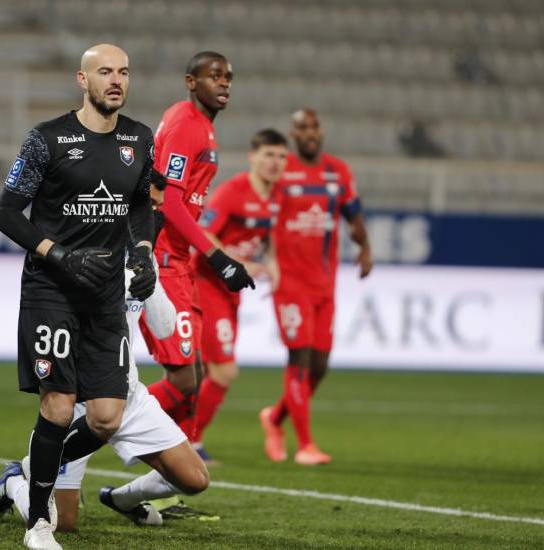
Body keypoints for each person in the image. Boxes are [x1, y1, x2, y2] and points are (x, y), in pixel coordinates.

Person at [0, 43, 157, 550]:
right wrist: (58, 254)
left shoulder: (139, 138)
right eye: (104, 71)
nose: (116, 80)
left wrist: (144, 253)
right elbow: (7, 213)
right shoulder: (47, 140)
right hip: (52, 290)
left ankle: (24, 473)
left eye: (123, 72)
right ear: (81, 80)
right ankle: (38, 523)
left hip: (106, 297)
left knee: (106, 418)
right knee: (60, 407)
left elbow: (138, 208)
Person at [140, 52, 254, 459]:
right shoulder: (189, 125)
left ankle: (149, 486)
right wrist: (218, 257)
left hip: (179, 262)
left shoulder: (198, 125)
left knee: (195, 374)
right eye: (214, 76)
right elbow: (170, 203)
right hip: (165, 262)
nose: (223, 83)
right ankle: (91, 424)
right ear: (192, 81)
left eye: (228, 77)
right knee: (187, 381)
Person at [259, 109, 373, 466]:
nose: (309, 133)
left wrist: (365, 247)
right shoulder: (281, 172)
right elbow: (262, 218)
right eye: (301, 128)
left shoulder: (337, 172)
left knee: (320, 365)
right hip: (290, 283)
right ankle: (305, 445)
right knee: (300, 357)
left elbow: (353, 215)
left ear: (321, 131)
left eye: (313, 127)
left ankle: (275, 418)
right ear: (292, 134)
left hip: (325, 283)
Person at [191, 129, 289, 456]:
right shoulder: (233, 192)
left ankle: (181, 438)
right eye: (269, 155)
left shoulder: (276, 197)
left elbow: (269, 240)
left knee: (204, 370)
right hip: (206, 284)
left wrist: (272, 268)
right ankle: (192, 440)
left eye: (281, 157)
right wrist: (244, 261)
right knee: (224, 370)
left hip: (232, 289)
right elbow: (204, 233)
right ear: (253, 156)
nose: (275, 163)